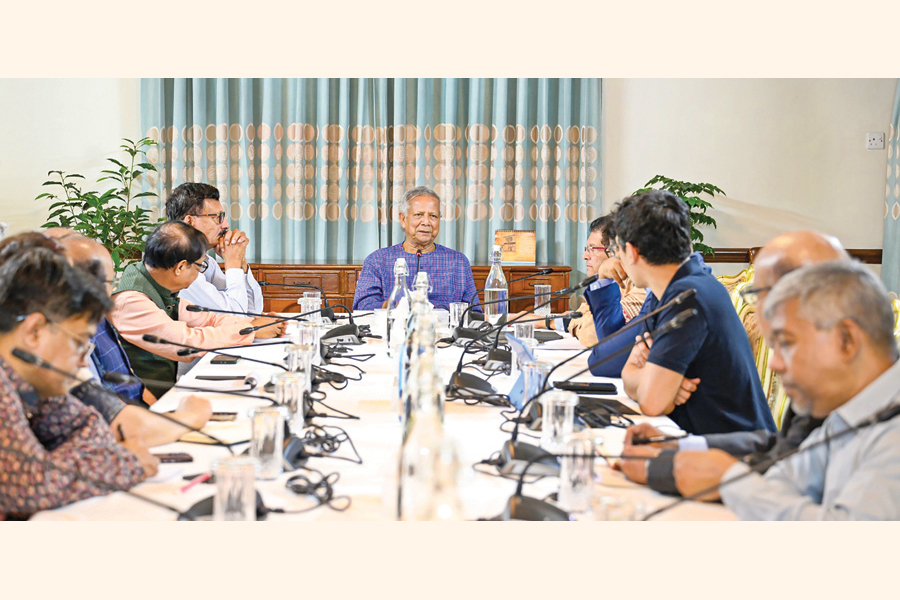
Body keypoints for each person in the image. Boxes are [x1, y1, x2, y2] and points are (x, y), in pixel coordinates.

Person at [618, 230, 848, 493]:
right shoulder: (823, 392)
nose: (773, 365)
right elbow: (776, 447)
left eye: (786, 343)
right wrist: (673, 448)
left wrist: (723, 478)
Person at [671, 260, 900, 519]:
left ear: (846, 340)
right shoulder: (849, 411)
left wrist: (731, 480)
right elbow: (783, 483)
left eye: (786, 343)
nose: (774, 363)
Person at [0, 233, 156, 518]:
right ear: (35, 330)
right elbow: (29, 486)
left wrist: (56, 464)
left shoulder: (34, 379)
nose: (83, 359)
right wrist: (126, 461)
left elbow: (91, 428)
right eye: (78, 341)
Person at [614, 190, 775, 434]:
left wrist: (647, 379)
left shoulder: (688, 297)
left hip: (738, 456)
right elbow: (633, 379)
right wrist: (648, 378)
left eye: (617, 249)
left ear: (632, 251)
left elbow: (652, 401)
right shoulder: (674, 288)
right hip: (704, 442)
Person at [46, 230, 213, 446]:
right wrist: (188, 417)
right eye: (109, 281)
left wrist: (159, 412)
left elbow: (126, 388)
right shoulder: (57, 340)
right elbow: (110, 426)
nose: (113, 290)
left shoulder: (93, 320)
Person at [110, 221, 284, 397]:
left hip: (164, 393)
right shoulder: (132, 301)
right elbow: (186, 343)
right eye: (199, 266)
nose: (200, 273)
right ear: (180, 267)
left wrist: (255, 323)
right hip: (141, 404)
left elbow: (208, 318)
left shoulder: (155, 284)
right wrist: (252, 330)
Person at [352, 186, 478, 310]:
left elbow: (474, 312)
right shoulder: (377, 260)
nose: (426, 222)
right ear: (403, 219)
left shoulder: (458, 261)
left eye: (433, 216)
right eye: (419, 215)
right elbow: (363, 306)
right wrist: (392, 305)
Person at [535, 215, 646, 347]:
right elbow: (581, 315)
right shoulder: (607, 282)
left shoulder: (641, 284)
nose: (585, 256)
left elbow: (593, 333)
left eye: (592, 249)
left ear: (613, 252)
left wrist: (549, 322)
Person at [166, 182, 264, 314]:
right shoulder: (180, 268)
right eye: (218, 217)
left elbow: (253, 310)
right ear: (189, 222)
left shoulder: (206, 262)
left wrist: (240, 262)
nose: (226, 225)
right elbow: (235, 317)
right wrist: (233, 263)